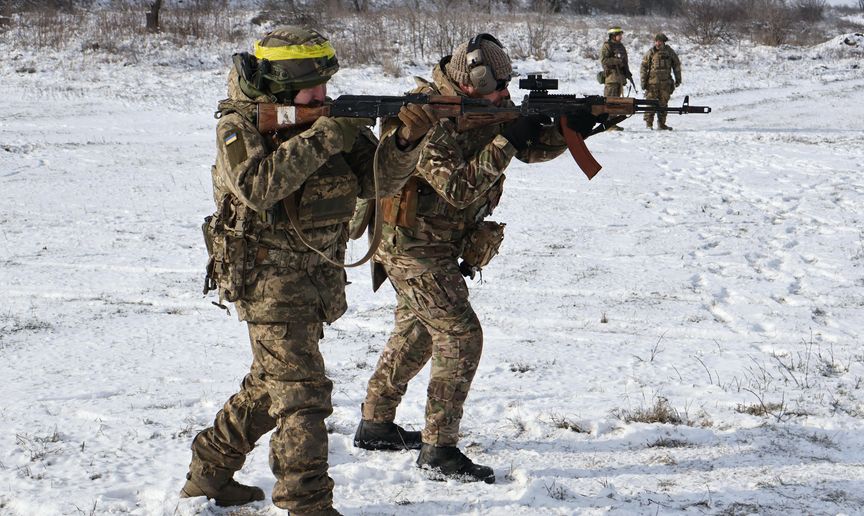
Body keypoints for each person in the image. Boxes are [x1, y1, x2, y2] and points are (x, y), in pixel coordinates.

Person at [179, 26, 417, 515]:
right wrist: (327, 133)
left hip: (311, 278)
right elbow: (258, 186)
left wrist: (407, 139)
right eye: (314, 90)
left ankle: (208, 473)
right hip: (266, 281)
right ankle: (306, 503)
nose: (323, 97)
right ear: (283, 88)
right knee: (304, 396)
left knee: (270, 388)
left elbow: (378, 183)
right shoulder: (238, 125)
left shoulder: (328, 120)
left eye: (327, 87)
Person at [352, 34, 603, 484]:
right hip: (410, 246)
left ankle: (375, 424)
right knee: (460, 335)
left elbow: (529, 147)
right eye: (497, 91)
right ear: (469, 85)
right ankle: (439, 449)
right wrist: (508, 137)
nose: (505, 97)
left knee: (417, 335)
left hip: (437, 244)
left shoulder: (480, 110)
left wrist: (577, 129)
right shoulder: (422, 116)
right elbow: (460, 186)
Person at [641, 33, 682, 131]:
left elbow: (676, 65)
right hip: (652, 84)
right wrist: (643, 81)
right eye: (656, 41)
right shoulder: (651, 52)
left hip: (665, 84)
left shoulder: (670, 52)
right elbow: (643, 67)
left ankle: (661, 124)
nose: (657, 43)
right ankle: (648, 124)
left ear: (663, 42)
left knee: (663, 104)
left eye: (659, 41)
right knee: (650, 103)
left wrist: (678, 79)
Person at [600, 26, 632, 131]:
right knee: (610, 101)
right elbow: (604, 61)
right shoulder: (607, 46)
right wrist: (616, 61)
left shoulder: (621, 46)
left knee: (616, 102)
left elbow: (624, 62)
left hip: (619, 78)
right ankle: (608, 124)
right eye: (619, 35)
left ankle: (612, 123)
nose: (621, 36)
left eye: (621, 34)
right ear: (613, 36)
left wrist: (627, 73)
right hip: (611, 78)